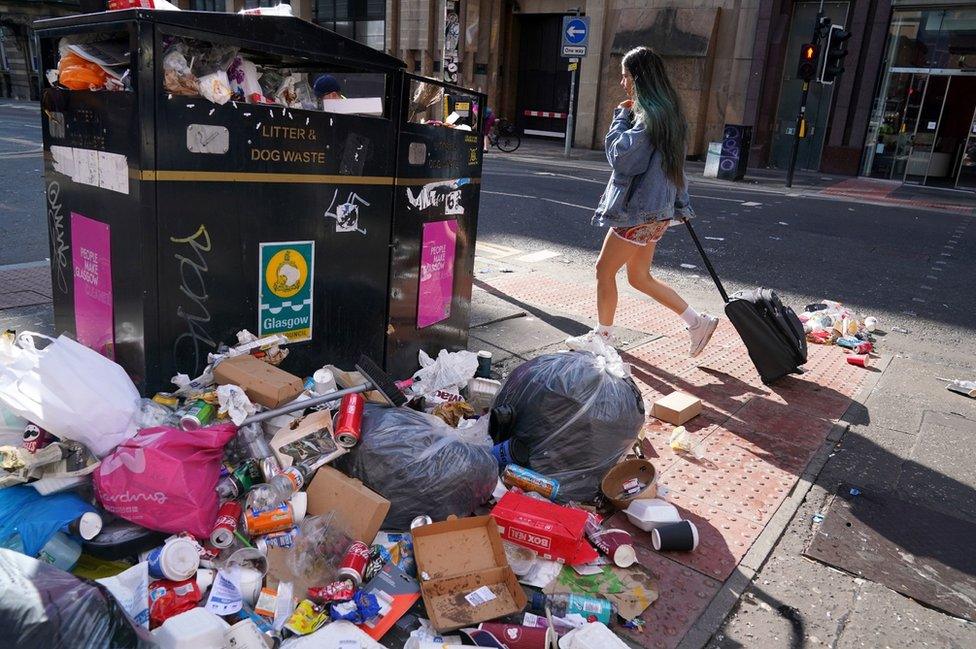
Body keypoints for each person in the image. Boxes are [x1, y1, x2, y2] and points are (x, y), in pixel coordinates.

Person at [567, 46, 718, 357]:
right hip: (656, 212)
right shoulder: (671, 114)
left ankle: (603, 339)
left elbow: (623, 160)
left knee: (603, 270)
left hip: (639, 213)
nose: (623, 83)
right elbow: (675, 169)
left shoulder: (648, 117)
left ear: (638, 77)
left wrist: (620, 117)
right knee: (639, 277)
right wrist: (680, 206)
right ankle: (697, 322)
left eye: (625, 77)